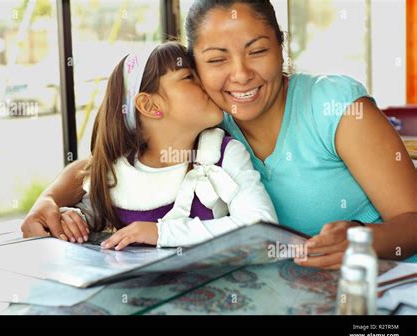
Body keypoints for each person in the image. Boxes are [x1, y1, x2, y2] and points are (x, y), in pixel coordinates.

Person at [23, 0, 416, 267]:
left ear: (282, 46)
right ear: (196, 66)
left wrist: (362, 241)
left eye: (257, 51)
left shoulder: (335, 106)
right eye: (216, 60)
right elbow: (108, 161)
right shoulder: (212, 119)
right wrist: (47, 200)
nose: (241, 74)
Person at [51, 41, 277, 250]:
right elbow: (87, 213)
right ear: (149, 105)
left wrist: (162, 233)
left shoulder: (223, 153)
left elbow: (263, 227)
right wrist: (72, 218)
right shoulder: (117, 172)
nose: (209, 83)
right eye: (189, 77)